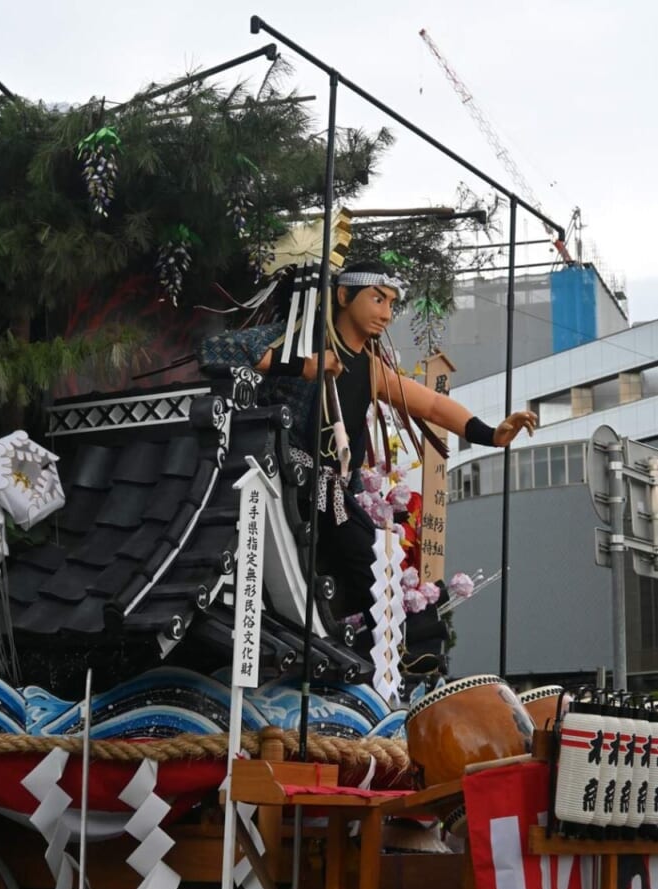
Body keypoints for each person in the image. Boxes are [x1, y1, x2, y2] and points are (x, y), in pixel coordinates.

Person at [199, 259, 536, 636]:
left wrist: (492, 434)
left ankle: (383, 634)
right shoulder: (300, 342)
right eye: (378, 299)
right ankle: (400, 631)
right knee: (369, 560)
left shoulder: (372, 369)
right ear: (344, 295)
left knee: (371, 561)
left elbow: (433, 405)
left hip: (336, 491)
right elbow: (215, 350)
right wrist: (300, 367)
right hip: (289, 480)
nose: (387, 314)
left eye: (391, 303)